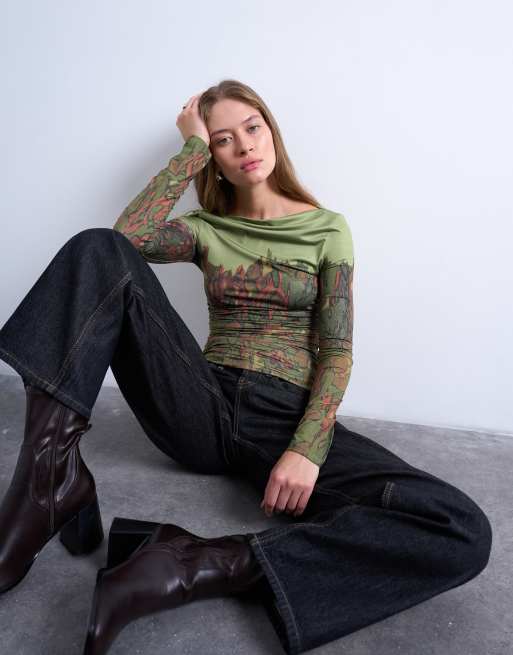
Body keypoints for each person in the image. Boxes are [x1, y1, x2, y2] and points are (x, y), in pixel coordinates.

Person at [0, 79, 492, 655]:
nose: (245, 146)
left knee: (459, 527)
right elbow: (123, 240)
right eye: (223, 140)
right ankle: (46, 482)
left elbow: (336, 350)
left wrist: (307, 447)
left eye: (252, 128)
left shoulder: (327, 229)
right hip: (200, 400)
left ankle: (195, 562)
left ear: (271, 130)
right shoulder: (207, 228)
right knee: (96, 248)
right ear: (213, 156)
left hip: (283, 413)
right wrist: (190, 149)